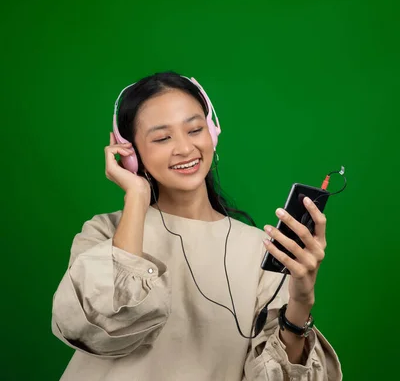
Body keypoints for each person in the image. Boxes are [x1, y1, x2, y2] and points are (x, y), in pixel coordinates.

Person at [51, 72, 342, 380]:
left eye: (194, 129)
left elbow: (277, 376)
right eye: (163, 138)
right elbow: (100, 327)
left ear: (212, 134)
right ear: (132, 154)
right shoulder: (103, 233)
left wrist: (300, 301)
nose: (185, 149)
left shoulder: (262, 250)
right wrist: (136, 196)